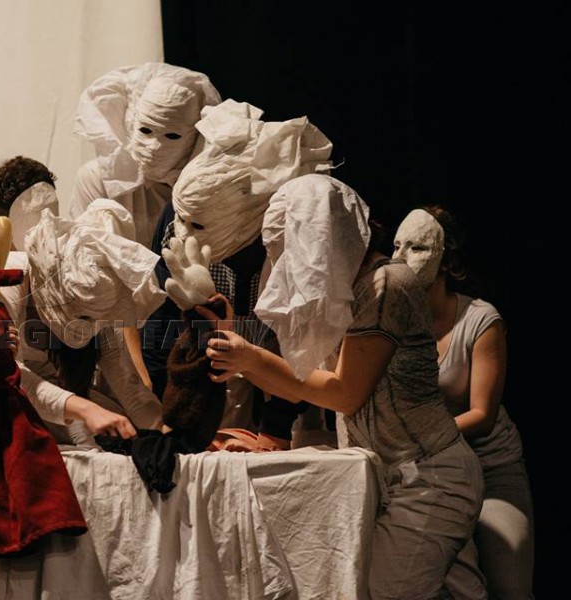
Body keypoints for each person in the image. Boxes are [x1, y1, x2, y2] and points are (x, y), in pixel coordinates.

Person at [204, 174, 485, 598]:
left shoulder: (387, 284)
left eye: (295, 244)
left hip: (428, 476)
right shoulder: (346, 290)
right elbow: (300, 387)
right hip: (382, 473)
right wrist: (237, 352)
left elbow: (344, 393)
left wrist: (252, 359)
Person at [144, 99, 333, 449]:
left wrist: (275, 429)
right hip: (208, 375)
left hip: (285, 383)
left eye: (197, 224)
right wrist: (179, 414)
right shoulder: (178, 217)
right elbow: (162, 321)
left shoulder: (290, 238)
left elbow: (302, 341)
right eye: (181, 219)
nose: (184, 234)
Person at [394, 206, 534, 599]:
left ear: (445, 259)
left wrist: (411, 440)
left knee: (510, 588)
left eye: (416, 247)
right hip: (427, 470)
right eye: (396, 246)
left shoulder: (480, 319)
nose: (400, 258)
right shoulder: (394, 320)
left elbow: (482, 416)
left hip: (489, 465)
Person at [0, 157, 152, 443]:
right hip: (14, 408)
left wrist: (164, 431)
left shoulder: (78, 273)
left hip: (72, 398)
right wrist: (83, 412)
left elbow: (125, 377)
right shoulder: (8, 279)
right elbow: (8, 374)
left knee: (133, 437)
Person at [69, 62, 221, 247]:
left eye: (172, 135)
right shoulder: (97, 179)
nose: (155, 147)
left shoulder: (208, 189)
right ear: (132, 123)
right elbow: (89, 253)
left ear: (194, 137)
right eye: (146, 130)